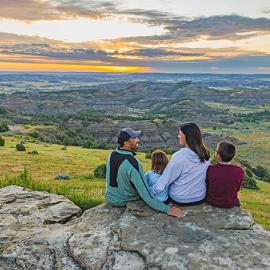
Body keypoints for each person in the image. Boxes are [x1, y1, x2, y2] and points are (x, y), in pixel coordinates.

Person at [105, 127, 184, 218]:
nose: (138, 140)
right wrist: (167, 209)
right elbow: (146, 194)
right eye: (134, 138)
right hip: (124, 200)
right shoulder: (133, 163)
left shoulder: (111, 155)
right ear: (126, 143)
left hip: (110, 198)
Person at [150, 122, 210, 205]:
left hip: (180, 198)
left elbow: (163, 183)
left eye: (180, 134)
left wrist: (149, 191)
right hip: (200, 197)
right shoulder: (206, 154)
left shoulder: (179, 156)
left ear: (186, 137)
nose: (178, 136)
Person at [206, 141, 244, 208]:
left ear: (218, 156)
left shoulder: (210, 169)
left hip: (211, 202)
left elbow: (207, 185)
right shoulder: (239, 171)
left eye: (216, 150)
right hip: (230, 203)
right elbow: (237, 189)